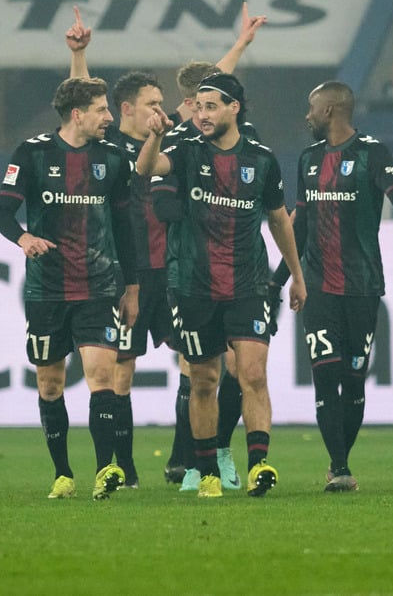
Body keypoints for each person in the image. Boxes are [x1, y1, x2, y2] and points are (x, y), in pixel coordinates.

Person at [65, 4, 266, 492]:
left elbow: (213, 93)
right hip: (130, 273)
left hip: (177, 268)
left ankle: (189, 460)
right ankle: (124, 469)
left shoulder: (175, 139)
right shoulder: (110, 147)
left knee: (199, 366)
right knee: (121, 373)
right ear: (126, 109)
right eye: (153, 102)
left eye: (167, 102)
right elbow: (83, 102)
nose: (168, 108)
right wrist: (79, 56)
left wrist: (239, 45)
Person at [136, 72, 306, 498]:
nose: (203, 114)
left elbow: (279, 220)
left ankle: (259, 465)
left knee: (253, 373)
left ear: (234, 108)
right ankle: (207, 470)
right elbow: (144, 168)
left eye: (212, 106)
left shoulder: (261, 159)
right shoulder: (184, 148)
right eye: (198, 106)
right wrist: (155, 136)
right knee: (205, 380)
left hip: (248, 282)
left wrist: (296, 275)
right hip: (192, 284)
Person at [269, 81, 393, 492]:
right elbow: (299, 224)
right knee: (325, 377)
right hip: (319, 288)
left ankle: (339, 462)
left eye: (311, 107)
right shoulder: (308, 159)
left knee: (355, 379)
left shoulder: (371, 153)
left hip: (362, 286)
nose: (306, 116)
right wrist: (278, 279)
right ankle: (339, 468)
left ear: (330, 111)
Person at [0, 76, 141, 500]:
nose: (109, 118)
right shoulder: (33, 152)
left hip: (98, 285)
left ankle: (104, 470)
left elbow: (125, 229)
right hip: (47, 290)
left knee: (101, 376)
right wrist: (23, 238)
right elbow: (2, 213)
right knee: (51, 385)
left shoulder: (112, 158)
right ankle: (63, 473)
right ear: (78, 114)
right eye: (101, 109)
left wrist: (131, 288)